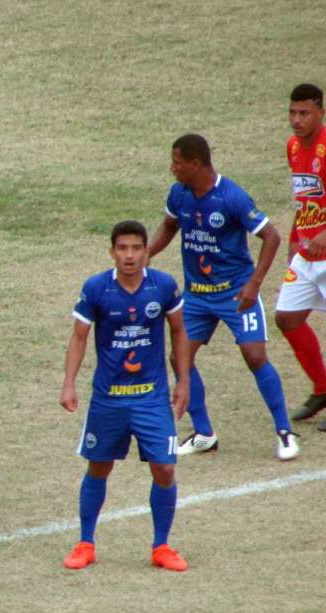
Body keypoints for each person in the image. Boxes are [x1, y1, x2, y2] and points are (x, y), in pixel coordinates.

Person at [147, 134, 299, 460]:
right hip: (198, 296)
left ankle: (284, 431)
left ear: (196, 163)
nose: (172, 168)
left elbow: (271, 236)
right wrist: (146, 253)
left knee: (255, 356)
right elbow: (169, 227)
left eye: (177, 162)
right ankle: (204, 433)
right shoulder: (179, 194)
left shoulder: (232, 197)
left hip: (235, 293)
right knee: (179, 358)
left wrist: (255, 284)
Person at [60, 221, 190, 571]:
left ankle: (161, 547)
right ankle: (86, 542)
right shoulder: (97, 288)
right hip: (109, 398)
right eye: (122, 248)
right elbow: (79, 337)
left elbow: (178, 331)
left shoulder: (163, 286)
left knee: (164, 467)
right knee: (99, 466)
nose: (129, 255)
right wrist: (69, 383)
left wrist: (184, 381)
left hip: (151, 398)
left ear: (146, 251)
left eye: (136, 248)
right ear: (112, 252)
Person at [275, 83, 326, 428]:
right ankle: (322, 387)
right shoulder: (293, 148)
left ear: (320, 111)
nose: (296, 120)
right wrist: (296, 236)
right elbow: (303, 197)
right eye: (292, 112)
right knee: (286, 317)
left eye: (304, 113)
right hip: (306, 254)